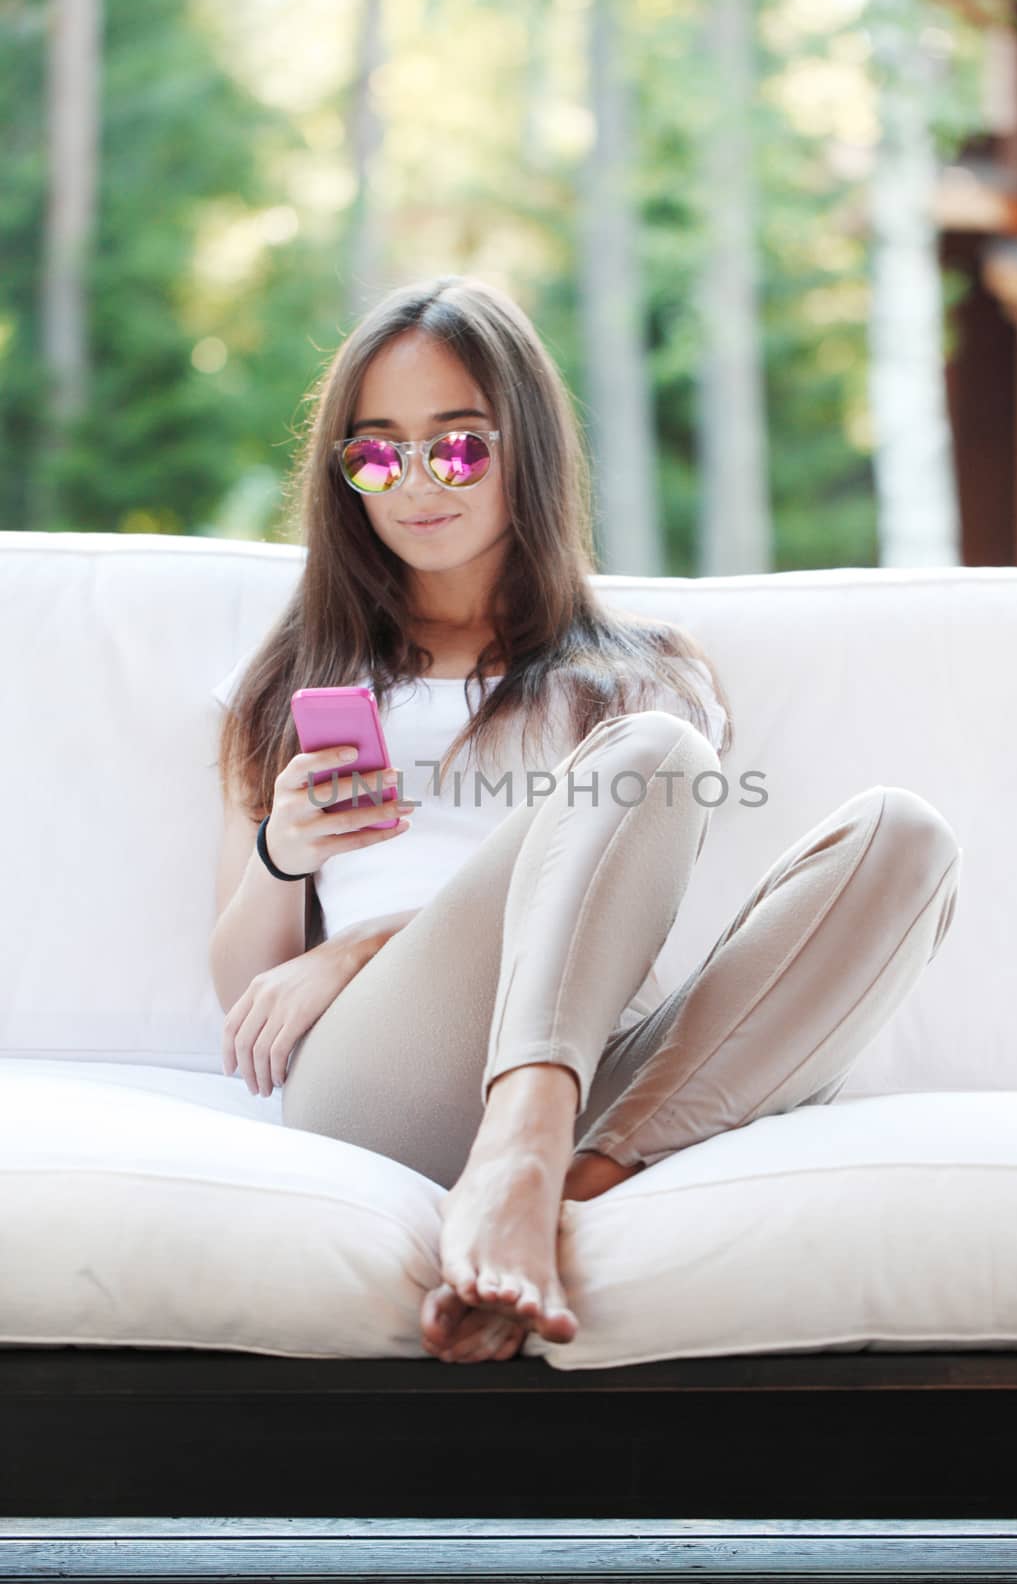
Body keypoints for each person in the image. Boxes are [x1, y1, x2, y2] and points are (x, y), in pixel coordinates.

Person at [211, 273, 962, 1367]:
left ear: (528, 450)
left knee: (905, 838)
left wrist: (362, 947)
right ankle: (519, 1159)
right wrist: (288, 862)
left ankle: (555, 1185)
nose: (417, 482)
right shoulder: (292, 684)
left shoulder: (639, 679)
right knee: (649, 761)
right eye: (376, 454)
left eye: (458, 446)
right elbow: (246, 1000)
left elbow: (620, 923)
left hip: (598, 1059)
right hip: (385, 1075)